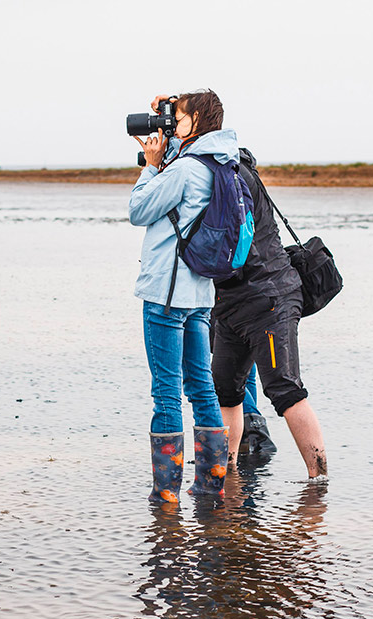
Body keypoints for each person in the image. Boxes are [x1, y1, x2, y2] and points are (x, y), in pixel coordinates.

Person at [129, 90, 235, 503]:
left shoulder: (185, 170)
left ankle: (166, 495)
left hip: (165, 293)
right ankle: (210, 487)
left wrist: (150, 167)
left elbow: (139, 210)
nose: (173, 125)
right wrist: (166, 119)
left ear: (198, 123)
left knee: (167, 393)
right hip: (200, 293)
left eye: (180, 118)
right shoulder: (220, 162)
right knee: (202, 389)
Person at [210, 147, 328, 479]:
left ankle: (319, 483)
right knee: (226, 391)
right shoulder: (220, 170)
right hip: (232, 303)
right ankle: (227, 476)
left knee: (285, 390)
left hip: (267, 299)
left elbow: (234, 240)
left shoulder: (233, 175)